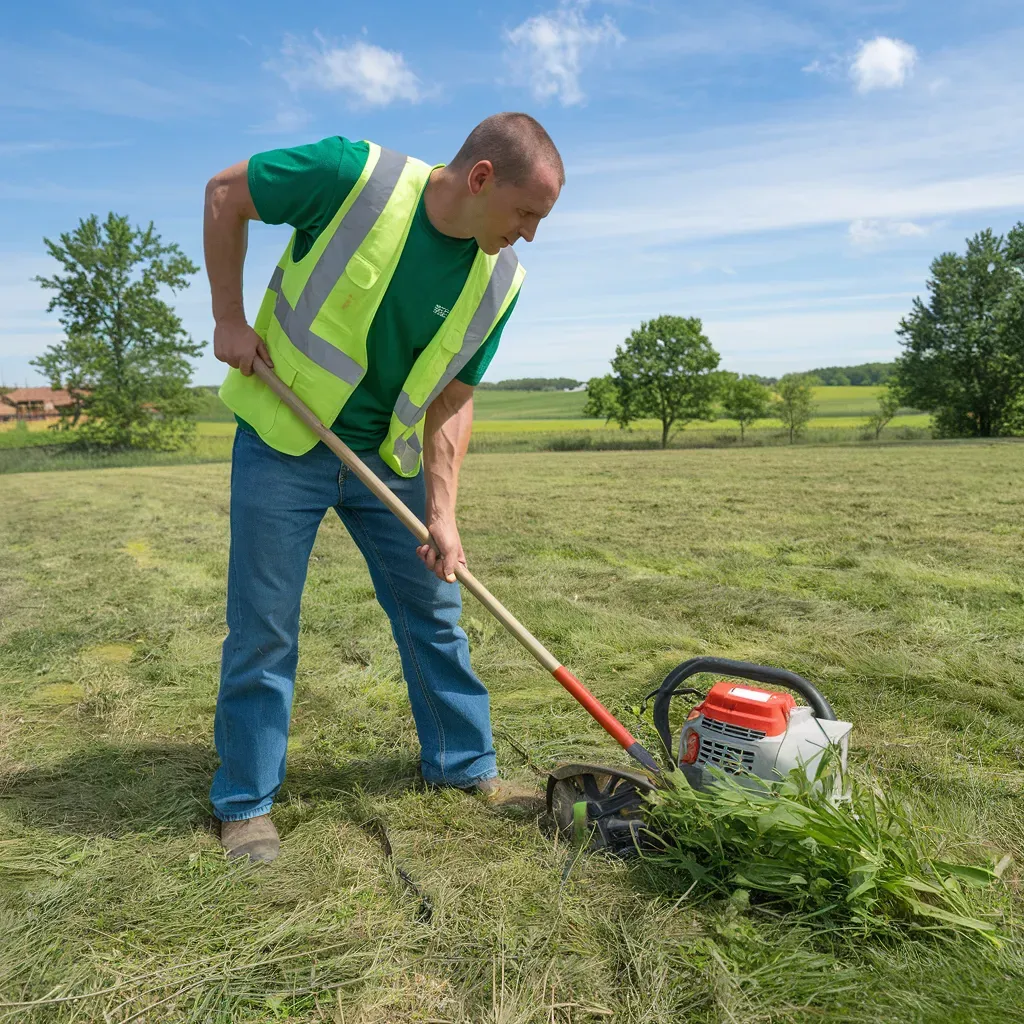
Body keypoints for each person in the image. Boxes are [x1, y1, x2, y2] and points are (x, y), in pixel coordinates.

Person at [203, 112, 564, 862]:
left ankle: (463, 768)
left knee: (437, 611)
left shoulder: (502, 279)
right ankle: (245, 804)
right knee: (265, 626)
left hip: (387, 460)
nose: (530, 234)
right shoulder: (351, 176)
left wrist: (443, 513)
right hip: (284, 438)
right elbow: (224, 192)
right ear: (481, 178)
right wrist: (228, 317)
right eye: (526, 213)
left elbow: (452, 398)